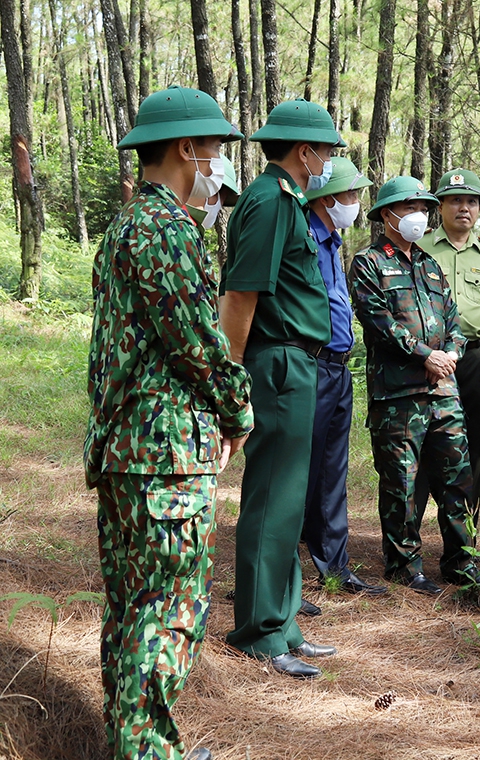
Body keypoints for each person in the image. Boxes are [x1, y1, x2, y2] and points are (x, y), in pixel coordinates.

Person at [87, 85, 252, 760]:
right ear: (187, 149)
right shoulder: (163, 230)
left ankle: (134, 744)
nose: (218, 163)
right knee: (168, 611)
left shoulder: (129, 225)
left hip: (131, 452)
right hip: (164, 456)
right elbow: (198, 343)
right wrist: (238, 411)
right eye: (214, 148)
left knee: (132, 607)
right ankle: (148, 752)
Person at [220, 98, 344, 680]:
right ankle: (259, 631)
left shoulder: (285, 200)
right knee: (271, 498)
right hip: (276, 364)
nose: (329, 161)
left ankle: (284, 621)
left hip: (299, 364)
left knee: (289, 498)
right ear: (304, 152)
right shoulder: (270, 201)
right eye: (326, 151)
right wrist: (236, 376)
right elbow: (242, 294)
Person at [351, 176, 478, 596]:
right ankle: (404, 566)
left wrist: (450, 356)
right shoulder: (368, 263)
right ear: (387, 214)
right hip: (398, 395)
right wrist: (425, 355)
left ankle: (462, 562)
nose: (418, 216)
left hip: (444, 391)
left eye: (423, 208)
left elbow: (454, 321)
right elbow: (379, 322)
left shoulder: (429, 264)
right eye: (409, 208)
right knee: (401, 483)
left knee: (457, 479)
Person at [299, 156, 387, 595]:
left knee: (333, 471)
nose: (356, 202)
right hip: (308, 367)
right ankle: (281, 578)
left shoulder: (332, 241)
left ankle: (334, 567)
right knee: (299, 472)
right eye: (351, 194)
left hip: (337, 368)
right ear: (328, 197)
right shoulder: (302, 238)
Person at [414, 168, 480, 528]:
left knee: (473, 446)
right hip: (427, 359)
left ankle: (464, 535)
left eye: (471, 202)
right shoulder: (420, 248)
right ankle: (408, 531)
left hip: (474, 360)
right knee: (423, 442)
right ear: (439, 206)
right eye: (456, 200)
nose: (464, 208)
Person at [186, 154, 240, 231]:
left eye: (223, 199)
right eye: (214, 191)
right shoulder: (173, 227)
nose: (217, 204)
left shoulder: (192, 232)